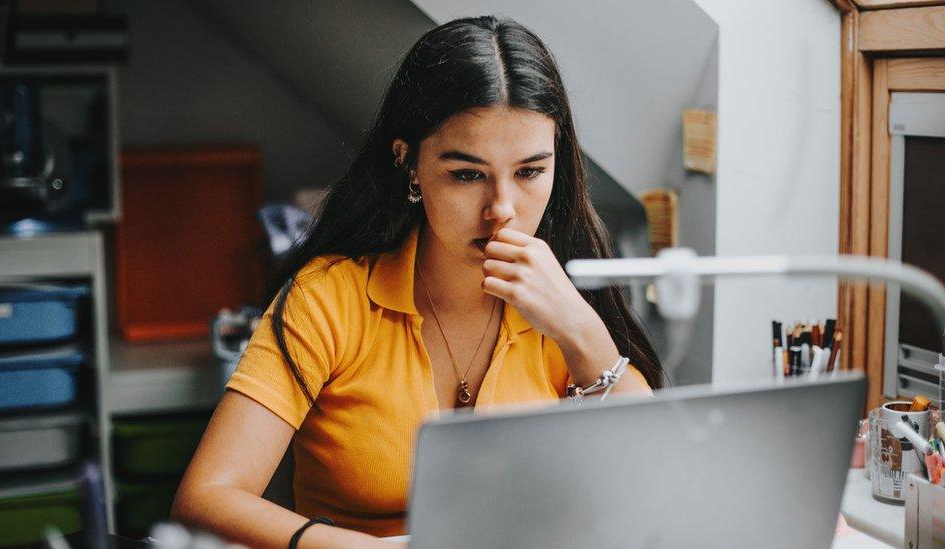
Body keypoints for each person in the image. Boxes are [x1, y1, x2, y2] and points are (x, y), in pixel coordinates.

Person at [171, 15, 663, 548]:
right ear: (409, 164)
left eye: (529, 172)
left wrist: (580, 330)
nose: (502, 210)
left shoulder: (566, 297)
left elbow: (652, 484)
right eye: (467, 174)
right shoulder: (328, 298)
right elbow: (205, 499)